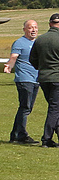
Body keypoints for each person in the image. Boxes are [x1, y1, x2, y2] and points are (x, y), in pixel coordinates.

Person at [5, 19, 41, 144]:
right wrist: (9, 66)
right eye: (30, 27)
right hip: (24, 79)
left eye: (35, 27)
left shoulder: (38, 43)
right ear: (24, 30)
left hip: (36, 79)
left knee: (27, 108)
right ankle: (21, 135)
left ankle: (15, 136)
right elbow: (13, 57)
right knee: (25, 107)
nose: (33, 30)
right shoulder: (19, 42)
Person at [33, 14, 59, 147]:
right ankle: (46, 139)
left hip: (43, 78)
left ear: (50, 24)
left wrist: (42, 67)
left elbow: (33, 59)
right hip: (57, 78)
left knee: (55, 108)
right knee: (54, 109)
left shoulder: (40, 40)